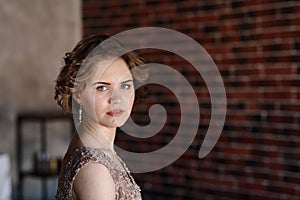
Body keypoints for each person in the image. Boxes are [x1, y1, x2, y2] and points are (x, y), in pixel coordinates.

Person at [54, 34, 148, 200]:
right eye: (102, 88)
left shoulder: (89, 146)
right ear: (77, 93)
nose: (117, 99)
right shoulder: (95, 169)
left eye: (125, 85)